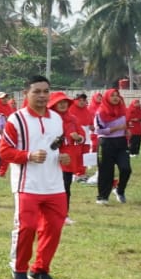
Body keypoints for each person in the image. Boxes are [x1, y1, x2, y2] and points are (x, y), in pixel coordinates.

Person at [0, 75, 69, 279]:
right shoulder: (17, 119)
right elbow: (4, 151)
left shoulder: (57, 119)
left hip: (55, 185)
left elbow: (58, 145)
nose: (41, 96)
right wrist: (28, 155)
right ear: (26, 94)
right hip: (27, 184)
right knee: (26, 227)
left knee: (54, 228)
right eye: (36, 91)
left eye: (45, 91)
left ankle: (40, 269)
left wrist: (63, 156)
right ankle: (19, 268)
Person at [48, 92, 87, 226]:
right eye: (60, 102)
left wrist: (79, 138)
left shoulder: (73, 119)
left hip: (68, 159)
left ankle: (64, 215)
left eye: (65, 102)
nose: (63, 104)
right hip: (52, 159)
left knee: (66, 187)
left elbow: (82, 135)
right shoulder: (49, 119)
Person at [94, 88, 132, 204]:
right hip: (106, 143)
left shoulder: (122, 110)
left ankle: (120, 190)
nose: (115, 98)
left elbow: (125, 125)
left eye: (117, 95)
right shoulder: (100, 112)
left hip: (121, 142)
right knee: (106, 171)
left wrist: (126, 131)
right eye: (112, 96)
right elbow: (99, 130)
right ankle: (102, 197)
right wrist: (117, 129)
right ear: (107, 98)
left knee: (126, 169)